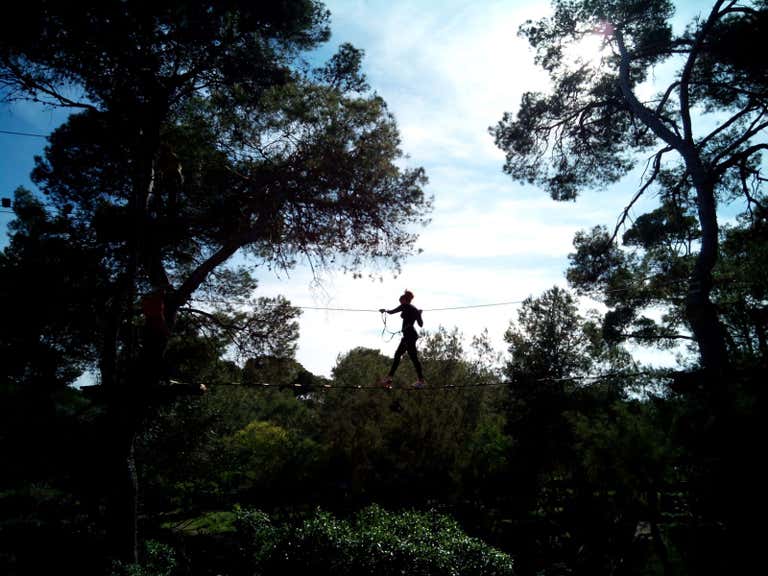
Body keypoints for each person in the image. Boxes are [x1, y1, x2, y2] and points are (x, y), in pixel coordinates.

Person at [378, 290, 425, 388]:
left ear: (405, 300)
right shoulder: (415, 310)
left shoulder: (405, 305)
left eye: (401, 301)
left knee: (411, 357)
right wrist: (419, 314)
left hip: (409, 336)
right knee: (400, 355)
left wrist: (384, 311)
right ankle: (389, 378)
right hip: (409, 336)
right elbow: (421, 324)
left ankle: (421, 381)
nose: (400, 303)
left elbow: (392, 312)